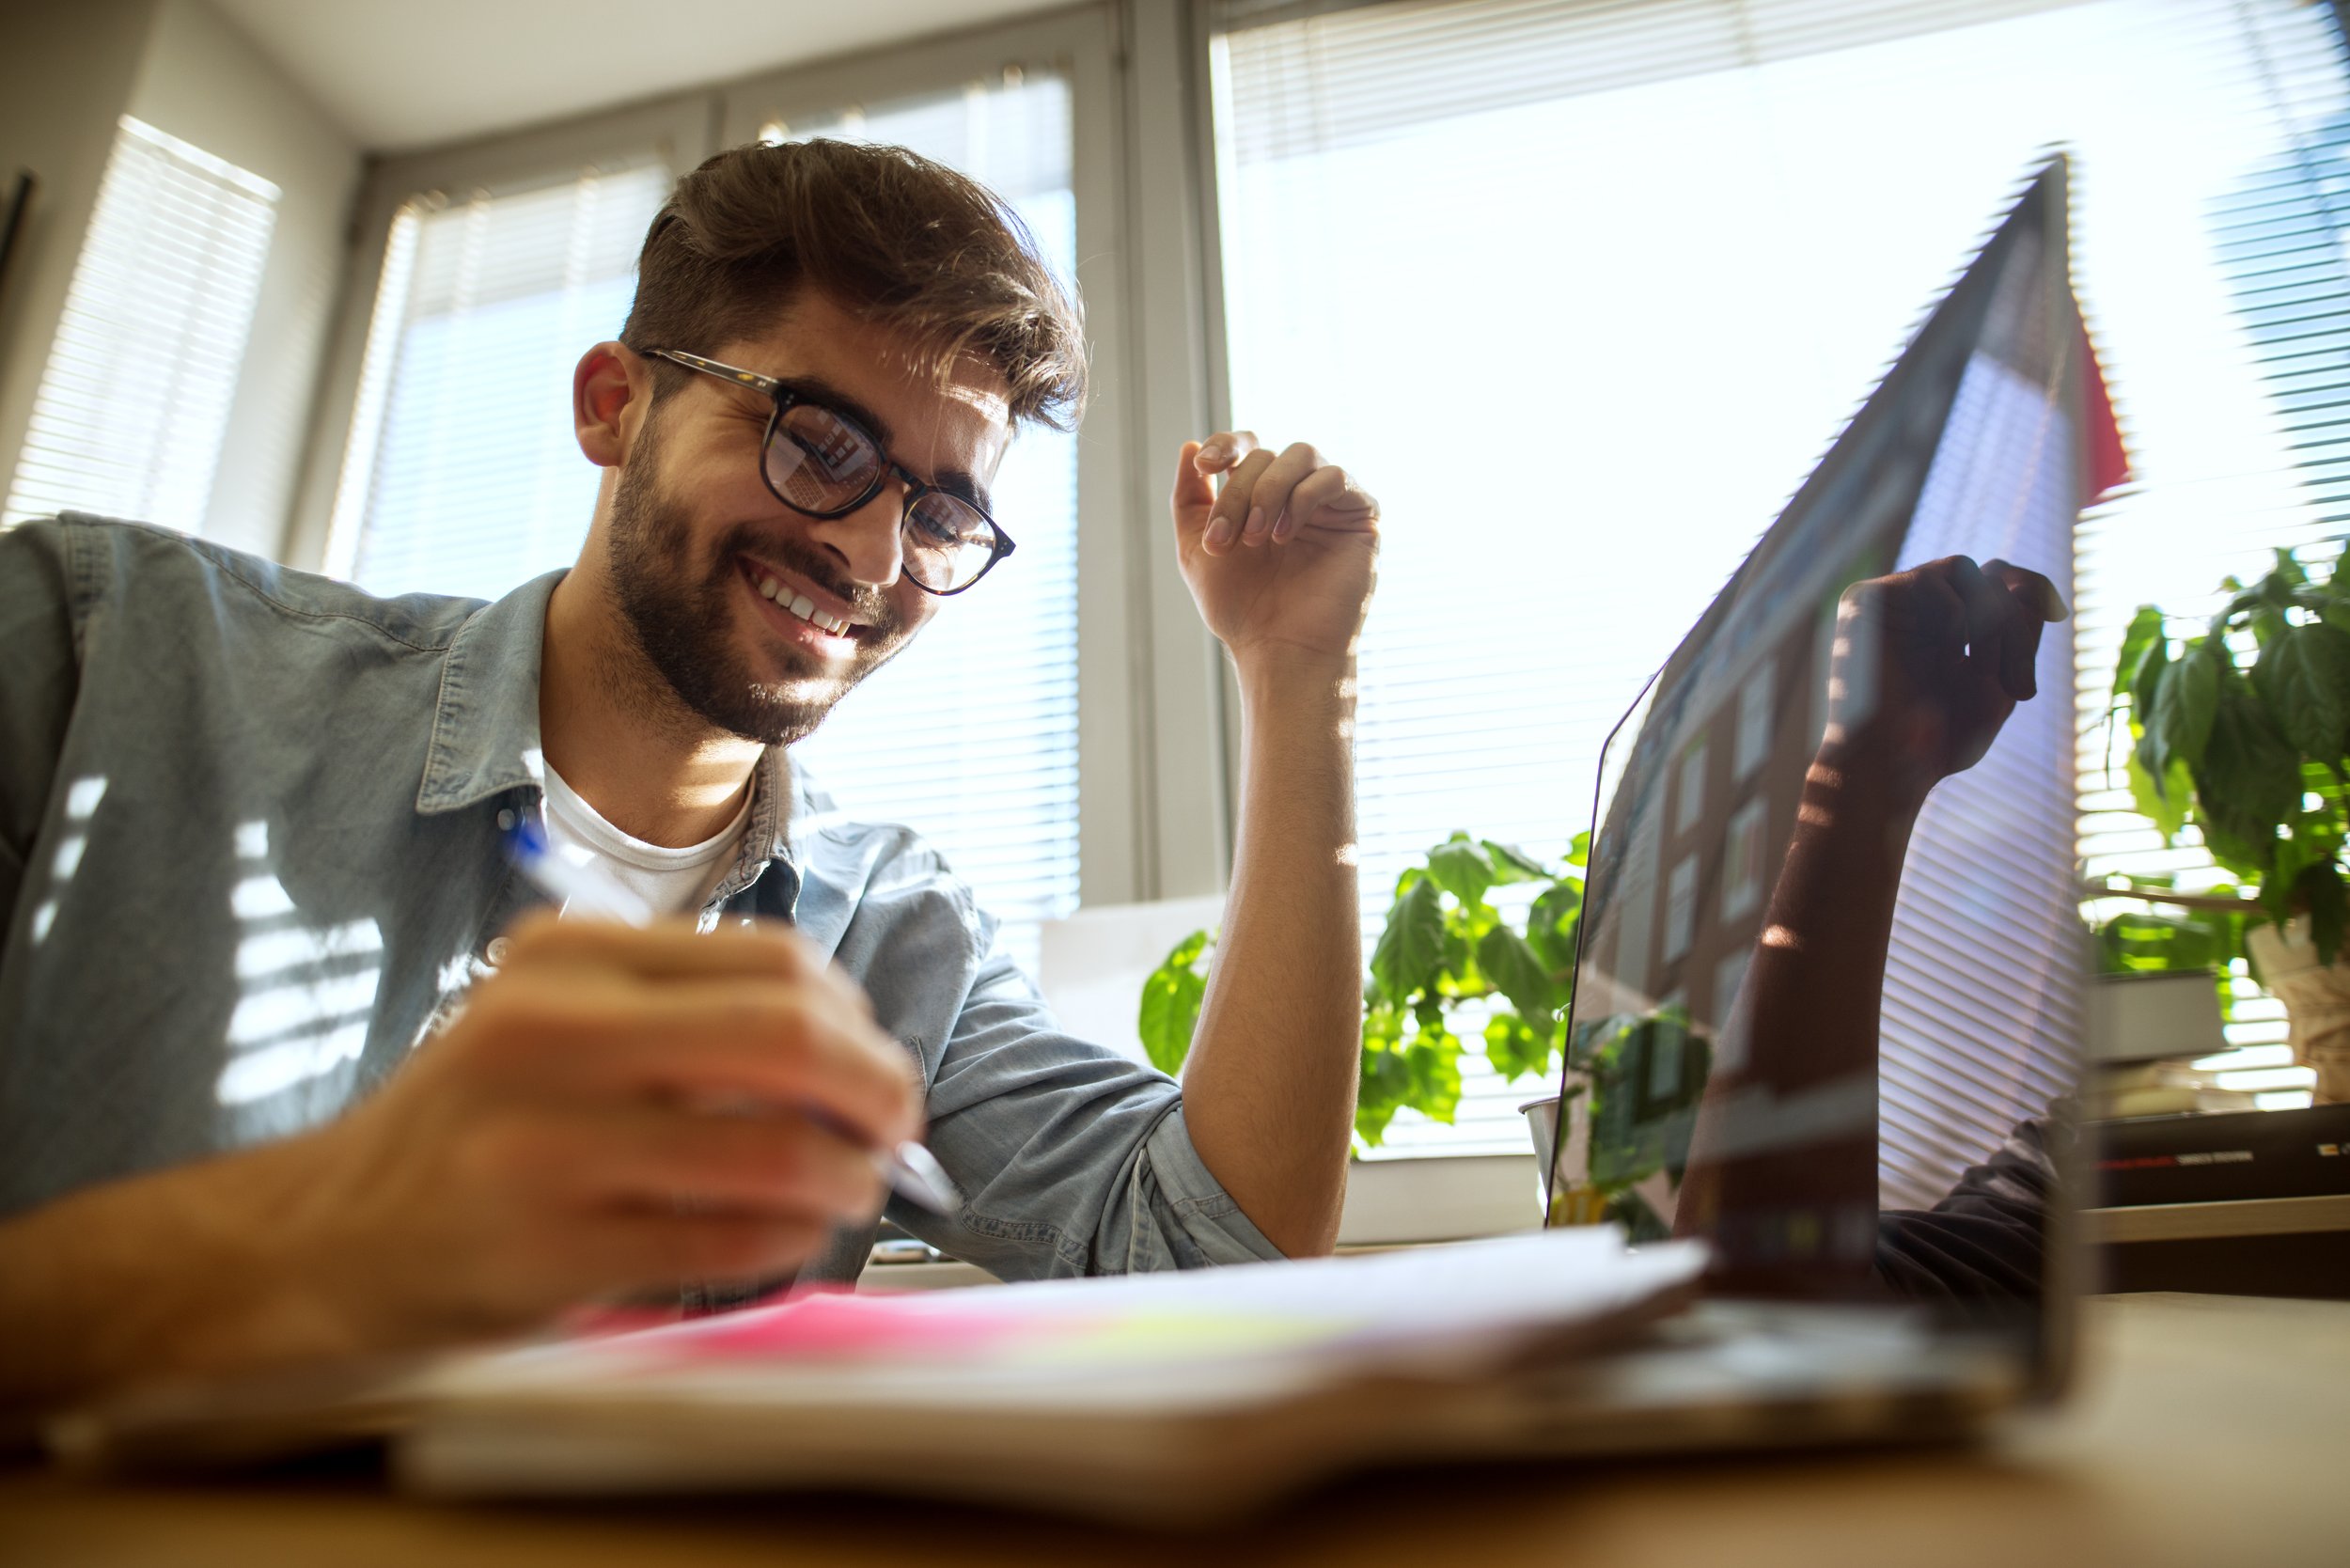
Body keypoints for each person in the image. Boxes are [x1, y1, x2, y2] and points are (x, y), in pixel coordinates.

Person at [0, 140, 1378, 1407]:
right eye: (822, 443)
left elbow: (1216, 1255)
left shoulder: (893, 940)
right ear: (616, 406)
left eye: (945, 509)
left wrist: (1296, 673)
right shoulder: (100, 658)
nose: (880, 560)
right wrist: (320, 1238)